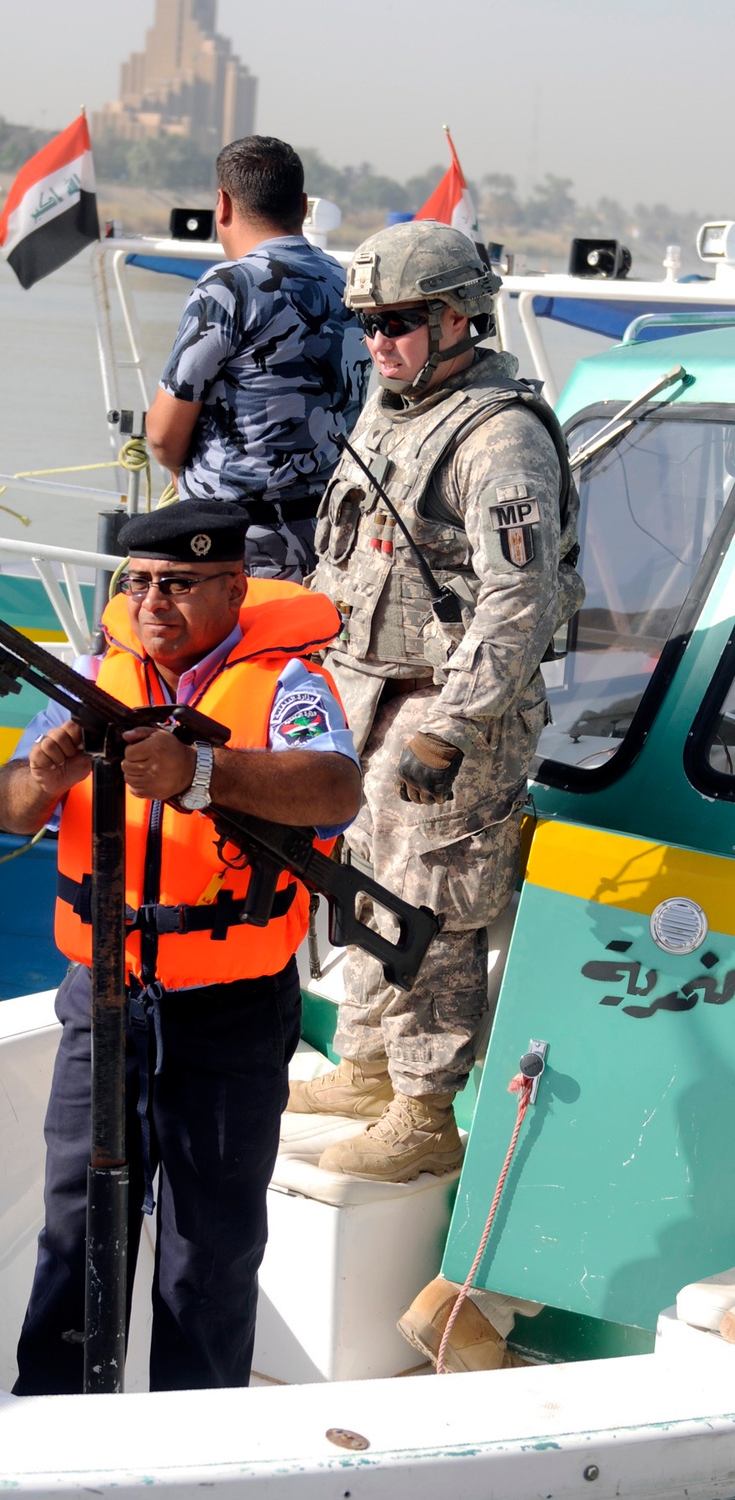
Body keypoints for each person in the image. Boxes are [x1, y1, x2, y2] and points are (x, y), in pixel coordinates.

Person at [0, 500, 361, 1394]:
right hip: (103, 994)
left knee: (210, 1251)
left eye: (182, 584)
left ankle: (191, 1451)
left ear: (236, 585)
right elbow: (5, 809)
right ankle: (51, 1433)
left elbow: (335, 786)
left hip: (228, 1009)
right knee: (75, 1230)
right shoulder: (87, 677)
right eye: (141, 582)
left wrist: (202, 772)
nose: (155, 601)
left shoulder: (291, 687)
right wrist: (42, 776)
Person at [291, 219, 584, 1183]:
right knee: (370, 879)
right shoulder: (393, 407)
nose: (380, 341)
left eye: (402, 321)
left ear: (461, 318)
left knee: (435, 901)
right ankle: (370, 1067)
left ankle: (423, 1113)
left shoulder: (500, 436)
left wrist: (455, 725)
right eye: (370, 322)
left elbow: (520, 597)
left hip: (453, 709)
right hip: (369, 694)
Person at [145, 135, 366, 583]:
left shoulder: (229, 286)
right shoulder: (349, 284)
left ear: (221, 204)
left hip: (234, 549)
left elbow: (165, 435)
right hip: (329, 544)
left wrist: (177, 472)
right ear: (303, 207)